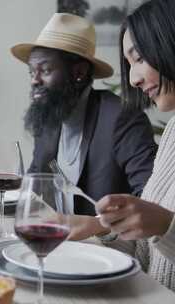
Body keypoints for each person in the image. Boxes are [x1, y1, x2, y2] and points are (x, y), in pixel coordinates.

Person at [69, 0, 175, 291]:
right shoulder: (173, 133)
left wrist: (166, 226)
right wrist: (99, 227)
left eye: (138, 58)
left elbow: (164, 229)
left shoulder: (118, 117)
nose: (132, 79)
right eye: (129, 64)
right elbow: (146, 254)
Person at [11, 13, 157, 215]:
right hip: (57, 238)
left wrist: (99, 227)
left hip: (106, 243)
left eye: (44, 70)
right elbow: (34, 185)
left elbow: (151, 202)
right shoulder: (48, 116)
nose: (34, 80)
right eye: (31, 72)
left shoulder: (122, 117)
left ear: (78, 72)